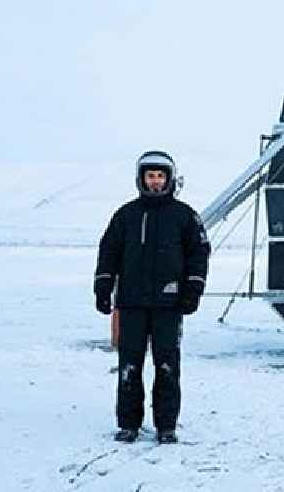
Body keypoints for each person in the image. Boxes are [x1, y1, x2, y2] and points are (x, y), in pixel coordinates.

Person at [94, 150, 211, 444]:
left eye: (160, 176)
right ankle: (128, 424)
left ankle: (166, 425)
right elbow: (108, 252)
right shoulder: (126, 216)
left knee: (167, 365)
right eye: (150, 176)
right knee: (129, 366)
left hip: (169, 305)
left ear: (169, 179)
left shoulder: (185, 216)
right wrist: (103, 288)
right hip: (131, 303)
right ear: (141, 179)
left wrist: (192, 290)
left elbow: (199, 254)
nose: (155, 181)